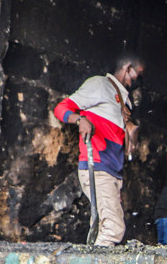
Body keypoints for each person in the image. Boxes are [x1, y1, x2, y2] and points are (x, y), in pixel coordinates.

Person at [53, 53, 145, 246]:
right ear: (127, 68)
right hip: (98, 168)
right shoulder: (100, 85)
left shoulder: (124, 102)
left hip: (114, 173)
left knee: (103, 228)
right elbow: (61, 108)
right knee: (113, 228)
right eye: (139, 74)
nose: (140, 80)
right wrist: (80, 119)